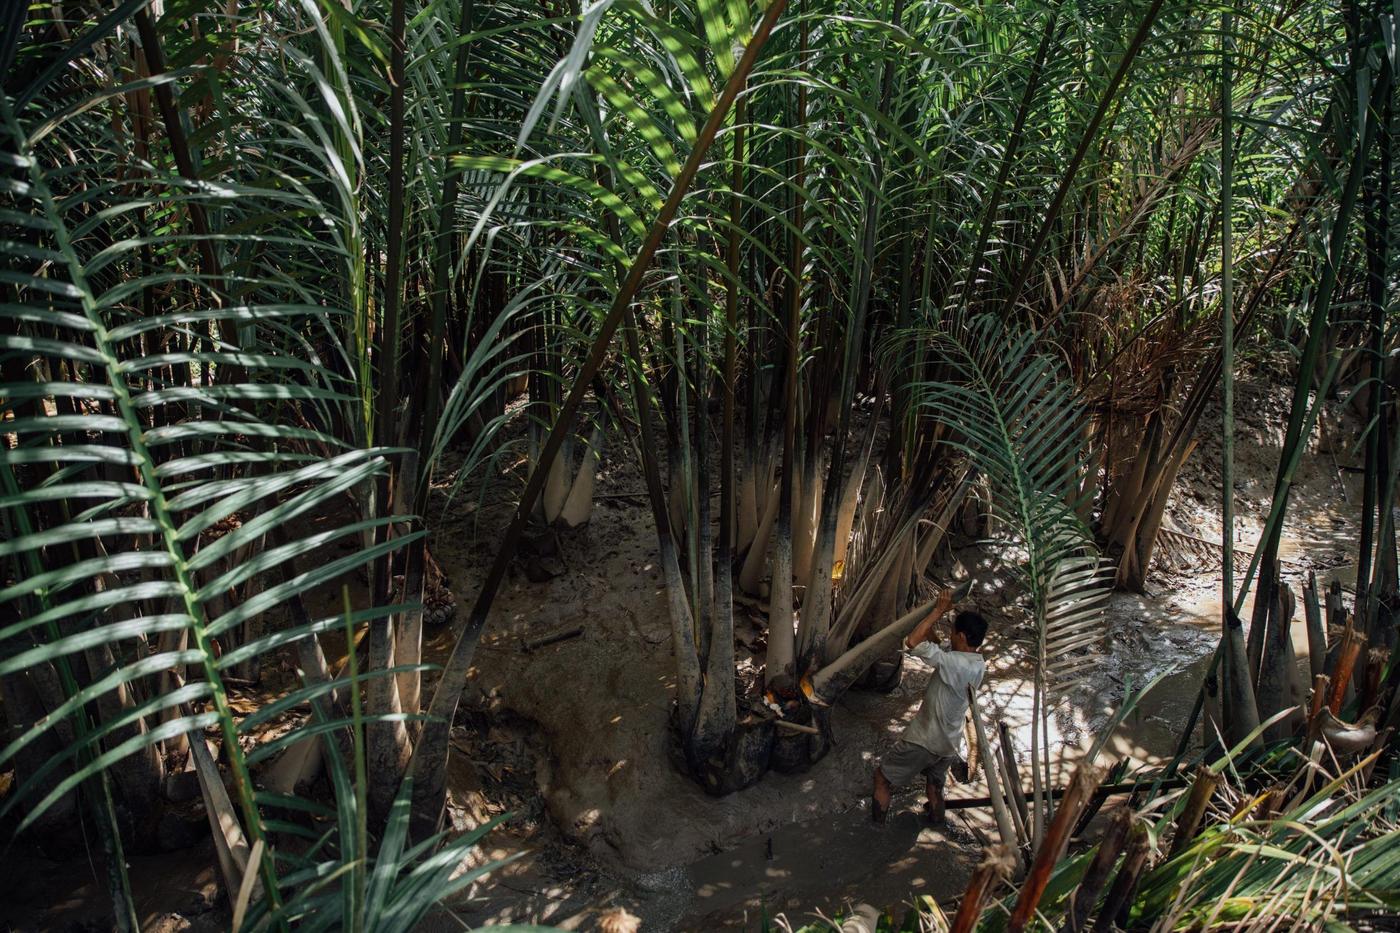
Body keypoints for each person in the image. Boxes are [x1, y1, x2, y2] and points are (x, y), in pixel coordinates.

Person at [871, 588, 988, 824]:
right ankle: (937, 825)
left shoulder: (953, 663)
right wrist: (933, 623)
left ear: (962, 637)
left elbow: (912, 642)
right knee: (935, 787)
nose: (951, 636)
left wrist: (937, 611)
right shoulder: (977, 663)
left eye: (954, 632)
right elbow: (939, 644)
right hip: (948, 745)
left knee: (882, 778)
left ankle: (875, 832)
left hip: (923, 740)